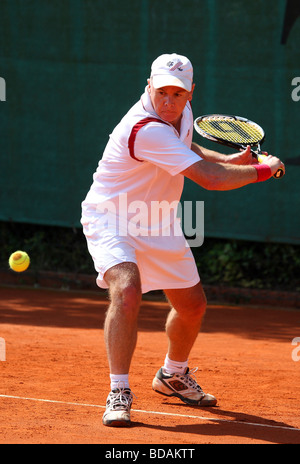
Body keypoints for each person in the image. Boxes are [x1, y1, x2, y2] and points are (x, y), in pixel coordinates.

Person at [81, 53, 285, 427]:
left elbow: (189, 150)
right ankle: (119, 389)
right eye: (161, 92)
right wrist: (261, 170)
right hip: (112, 218)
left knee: (192, 306)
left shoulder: (180, 115)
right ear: (149, 86)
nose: (169, 101)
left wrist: (233, 159)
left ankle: (172, 375)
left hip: (157, 220)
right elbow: (209, 179)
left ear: (191, 91)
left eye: (177, 93)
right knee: (127, 289)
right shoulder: (146, 128)